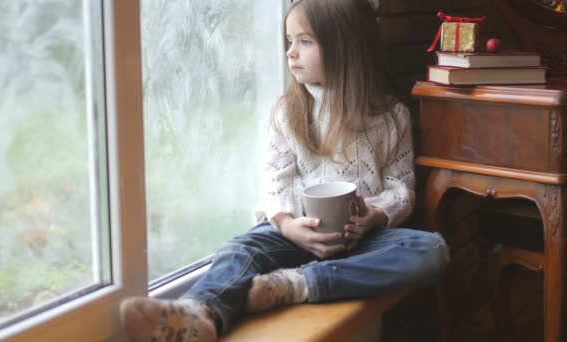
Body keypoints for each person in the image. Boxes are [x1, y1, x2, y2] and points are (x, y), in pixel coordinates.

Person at [120, 0, 449, 341]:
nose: (291, 52)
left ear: (344, 46)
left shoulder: (392, 117)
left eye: (305, 42)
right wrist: (290, 226)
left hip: (363, 241)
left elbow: (401, 188)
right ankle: (201, 313)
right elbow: (278, 181)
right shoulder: (288, 112)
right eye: (289, 41)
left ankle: (296, 284)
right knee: (238, 249)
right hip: (296, 235)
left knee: (430, 252)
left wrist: (376, 216)